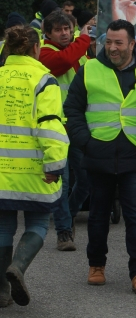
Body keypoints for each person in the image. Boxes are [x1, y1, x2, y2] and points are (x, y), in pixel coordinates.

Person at [64, 19, 136, 294]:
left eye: (119, 43)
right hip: (98, 154)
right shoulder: (89, 70)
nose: (113, 48)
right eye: (109, 42)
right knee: (98, 216)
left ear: (132, 44)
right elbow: (72, 110)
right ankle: (96, 266)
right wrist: (86, 143)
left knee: (135, 217)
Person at [0, 26, 68, 307]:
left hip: (1, 172)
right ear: (35, 49)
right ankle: (18, 266)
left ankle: (2, 291)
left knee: (3, 227)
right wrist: (55, 164)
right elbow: (50, 125)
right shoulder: (44, 80)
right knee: (38, 223)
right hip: (34, 171)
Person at [38, 10, 91, 251]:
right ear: (47, 33)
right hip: (55, 127)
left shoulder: (79, 52)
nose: (65, 33)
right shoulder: (45, 52)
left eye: (68, 29)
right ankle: (64, 231)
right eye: (59, 30)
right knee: (62, 179)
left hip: (78, 125)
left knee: (87, 178)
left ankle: (66, 214)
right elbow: (63, 62)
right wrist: (84, 40)